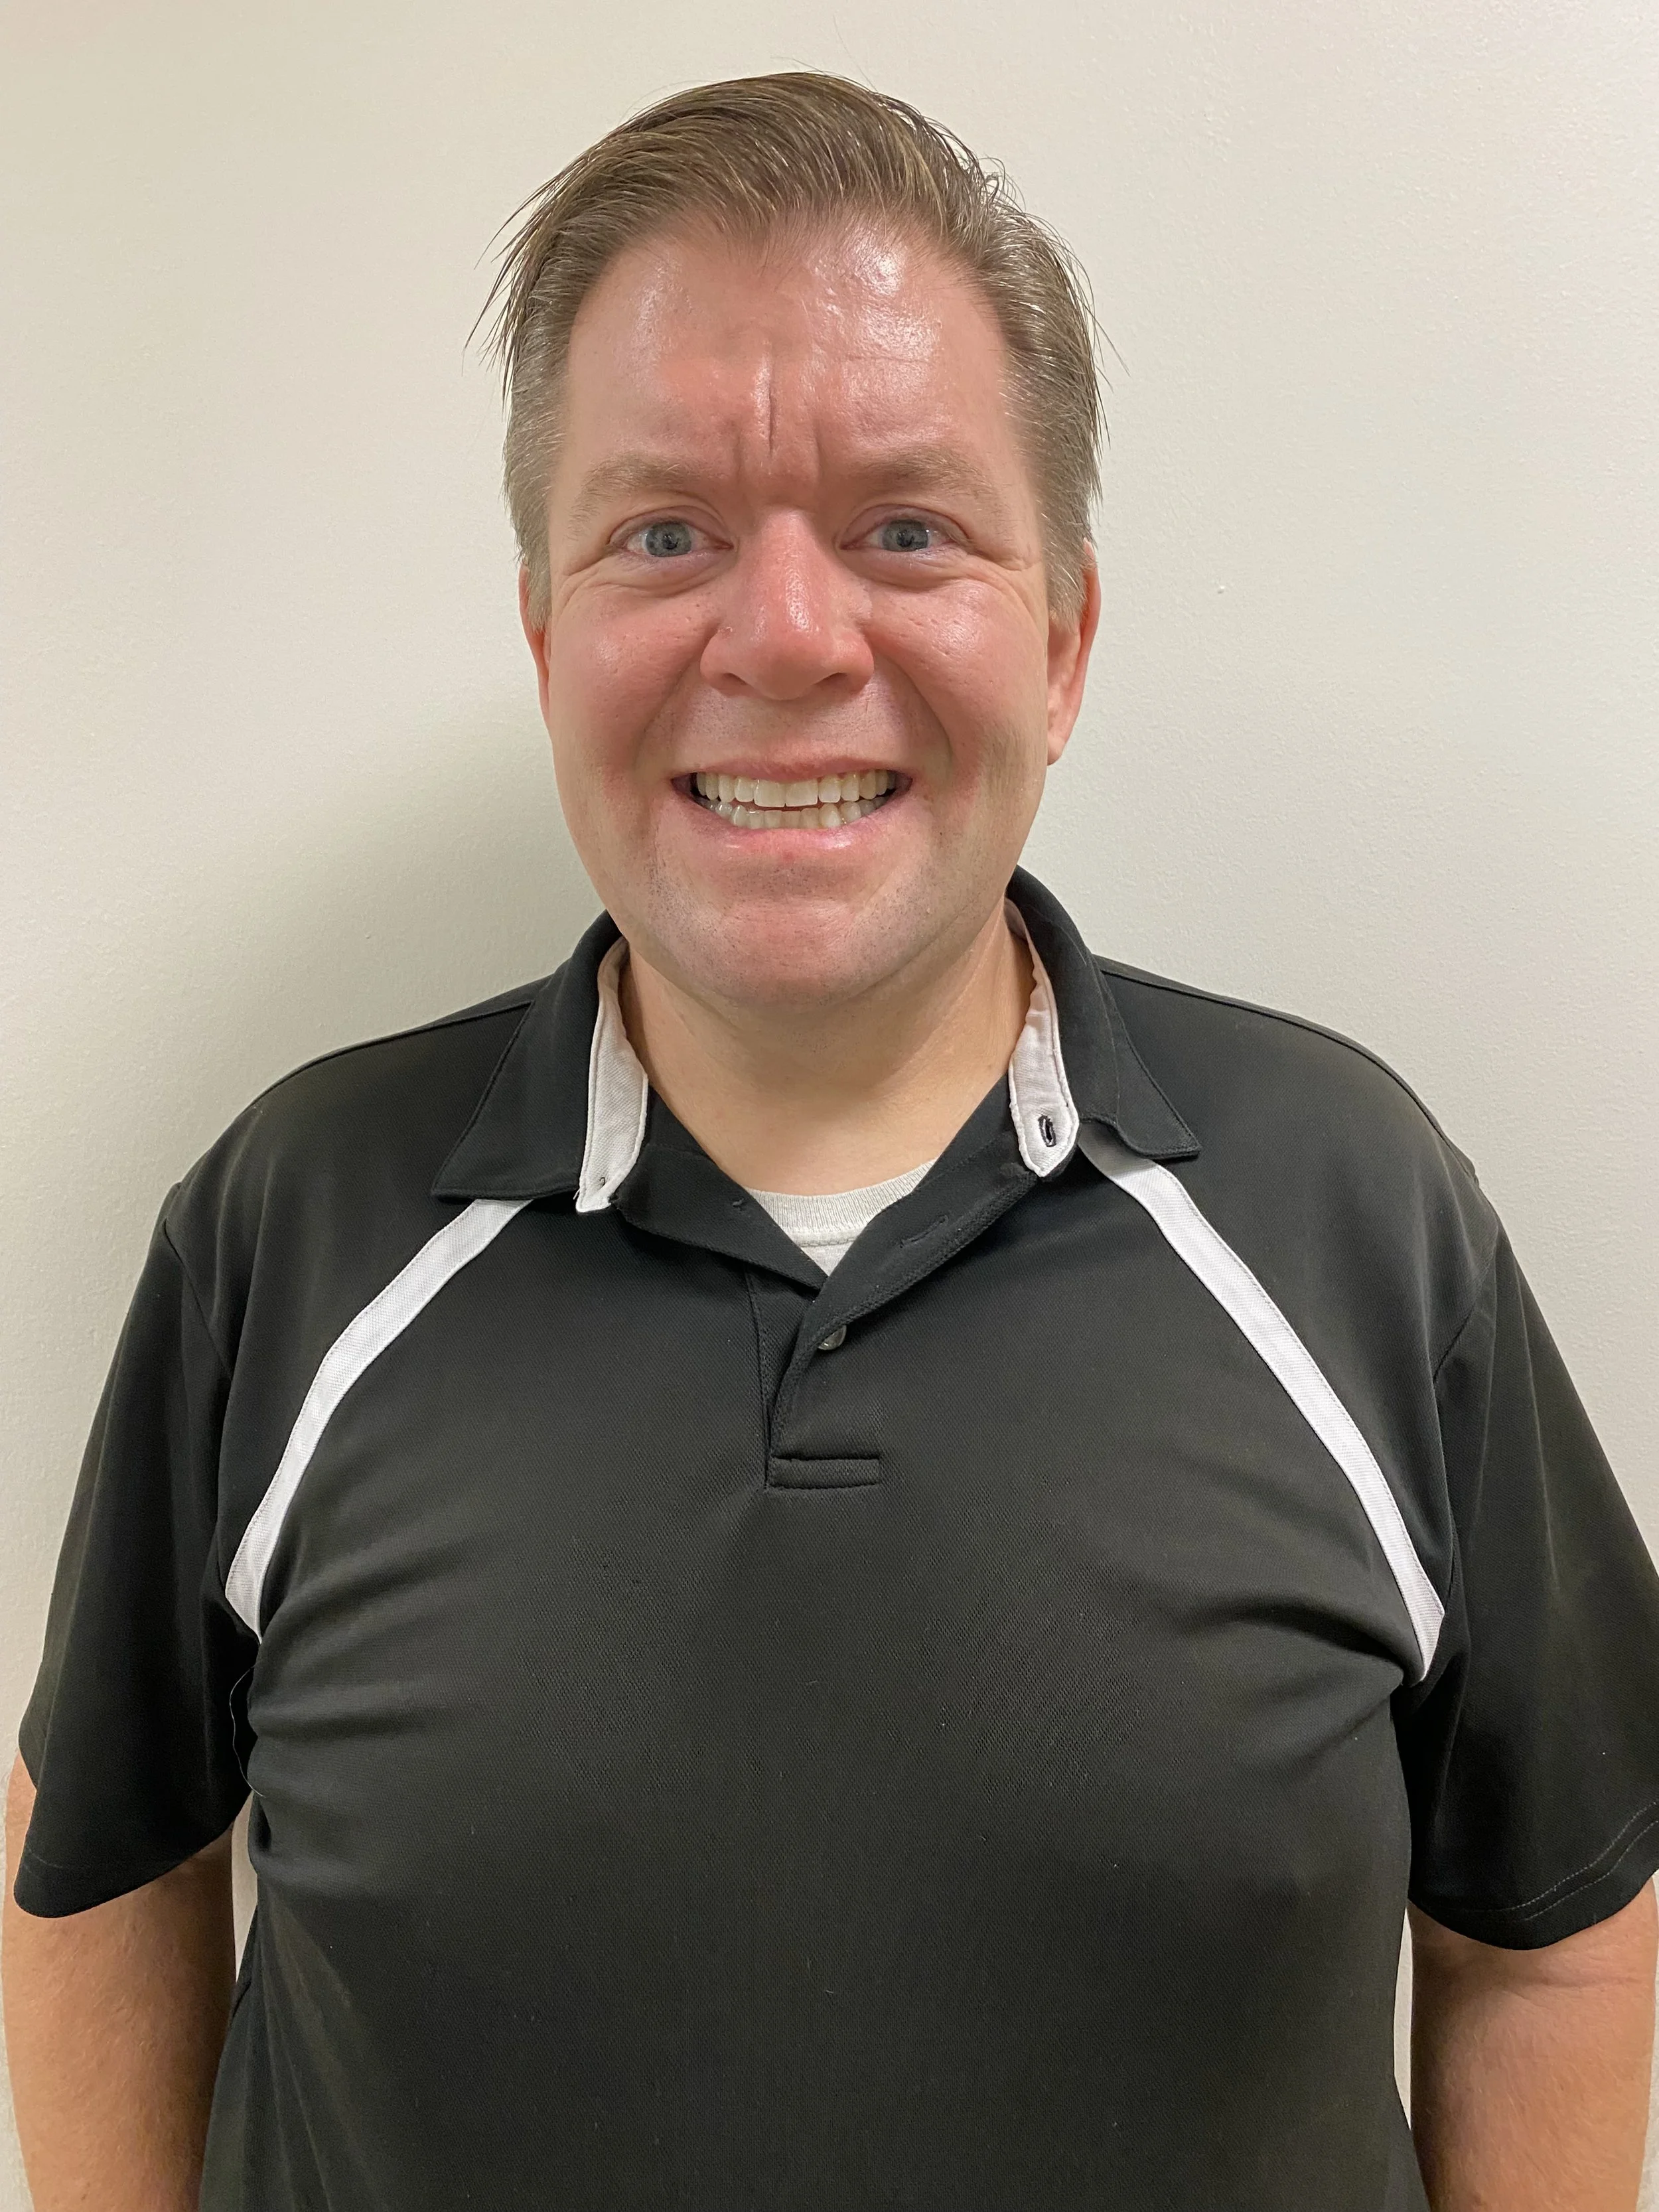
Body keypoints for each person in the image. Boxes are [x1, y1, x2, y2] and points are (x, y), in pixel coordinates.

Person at [4, 69, 1657, 2212]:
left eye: (905, 528)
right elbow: (95, 1857)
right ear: (545, 636)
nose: (784, 638)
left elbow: (1555, 1917)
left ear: (1058, 641)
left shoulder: (1351, 1208)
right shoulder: (291, 1221)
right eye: (662, 531)